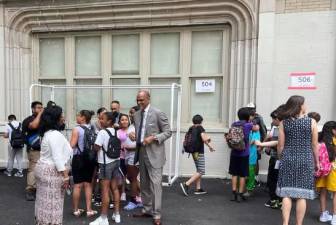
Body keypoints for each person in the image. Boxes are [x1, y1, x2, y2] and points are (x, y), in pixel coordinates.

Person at [276, 95, 319, 225]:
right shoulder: (311, 122)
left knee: (287, 194)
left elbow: (280, 145)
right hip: (305, 160)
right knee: (302, 195)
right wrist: (317, 162)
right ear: (300, 106)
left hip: (288, 159)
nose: (306, 106)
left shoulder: (284, 123)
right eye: (304, 104)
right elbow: (314, 145)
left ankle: (285, 223)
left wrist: (280, 158)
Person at [132, 90, 172, 225]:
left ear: (149, 98)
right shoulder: (136, 115)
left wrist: (154, 137)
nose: (139, 102)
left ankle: (157, 215)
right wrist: (135, 137)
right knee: (143, 184)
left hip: (155, 154)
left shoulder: (158, 113)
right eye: (138, 100)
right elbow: (140, 132)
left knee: (155, 185)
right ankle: (147, 209)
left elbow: (168, 132)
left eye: (142, 100)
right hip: (141, 153)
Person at [34, 105, 72, 225]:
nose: (63, 118)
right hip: (52, 172)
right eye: (61, 115)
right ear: (55, 118)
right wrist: (66, 177)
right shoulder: (55, 134)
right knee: (52, 205)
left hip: (45, 169)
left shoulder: (48, 133)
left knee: (44, 203)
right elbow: (57, 158)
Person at [90, 112, 121, 225]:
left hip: (105, 164)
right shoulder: (116, 131)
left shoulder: (102, 132)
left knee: (104, 190)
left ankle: (103, 218)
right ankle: (117, 215)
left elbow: (96, 147)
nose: (100, 120)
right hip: (115, 162)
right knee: (115, 188)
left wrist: (93, 144)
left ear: (109, 121)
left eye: (102, 119)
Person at [255, 105, 285, 209]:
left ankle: (274, 200)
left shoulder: (279, 128)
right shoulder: (288, 126)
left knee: (273, 179)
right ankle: (280, 201)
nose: (272, 121)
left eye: (273, 119)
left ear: (278, 118)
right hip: (283, 159)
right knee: (280, 180)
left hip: (277, 158)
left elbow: (276, 142)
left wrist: (262, 145)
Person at [70, 110, 97, 217]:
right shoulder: (92, 128)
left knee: (77, 185)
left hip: (78, 158)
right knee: (88, 185)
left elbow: (72, 145)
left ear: (83, 118)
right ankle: (89, 210)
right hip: (90, 159)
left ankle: (76, 210)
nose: (77, 117)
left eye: (78, 115)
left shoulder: (77, 129)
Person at [180, 114, 215, 196]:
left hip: (193, 152)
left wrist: (208, 145)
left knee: (198, 170)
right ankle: (186, 184)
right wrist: (210, 144)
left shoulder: (191, 128)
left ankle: (198, 189)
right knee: (201, 170)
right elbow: (203, 138)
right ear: (201, 121)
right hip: (199, 152)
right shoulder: (200, 127)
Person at [227, 107, 255, 202]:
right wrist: (252, 121)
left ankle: (234, 193)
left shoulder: (234, 124)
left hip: (234, 152)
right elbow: (257, 128)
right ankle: (240, 193)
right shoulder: (248, 125)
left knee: (234, 174)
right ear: (247, 116)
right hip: (244, 153)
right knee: (242, 175)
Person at [315, 121, 336, 224]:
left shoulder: (320, 141)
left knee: (323, 192)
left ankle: (323, 215)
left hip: (323, 169)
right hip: (333, 169)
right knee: (335, 193)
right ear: (333, 130)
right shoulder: (335, 141)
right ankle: (335, 218)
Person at [22, 101, 43, 201]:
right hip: (33, 149)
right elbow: (34, 126)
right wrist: (40, 114)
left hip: (44, 149)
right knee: (33, 169)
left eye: (41, 108)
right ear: (33, 109)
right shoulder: (28, 120)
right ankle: (30, 189)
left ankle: (39, 188)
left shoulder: (44, 119)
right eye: (38, 108)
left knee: (42, 169)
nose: (40, 109)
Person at [123, 106, 142, 210]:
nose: (130, 114)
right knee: (131, 178)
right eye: (130, 112)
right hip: (128, 155)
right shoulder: (132, 125)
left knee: (133, 179)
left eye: (132, 113)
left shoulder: (140, 127)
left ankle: (134, 201)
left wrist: (131, 148)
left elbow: (143, 143)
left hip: (134, 156)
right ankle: (140, 198)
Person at [92, 107, 108, 206]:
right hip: (96, 152)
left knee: (103, 176)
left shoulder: (108, 124)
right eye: (102, 113)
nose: (104, 115)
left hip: (106, 154)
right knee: (95, 174)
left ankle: (101, 195)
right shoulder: (94, 124)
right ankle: (94, 193)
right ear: (98, 115)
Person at [245, 124, 260, 196]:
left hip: (252, 156)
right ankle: (244, 188)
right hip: (245, 155)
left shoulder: (256, 132)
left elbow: (251, 143)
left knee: (251, 173)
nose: (257, 127)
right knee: (245, 173)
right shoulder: (248, 131)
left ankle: (249, 189)